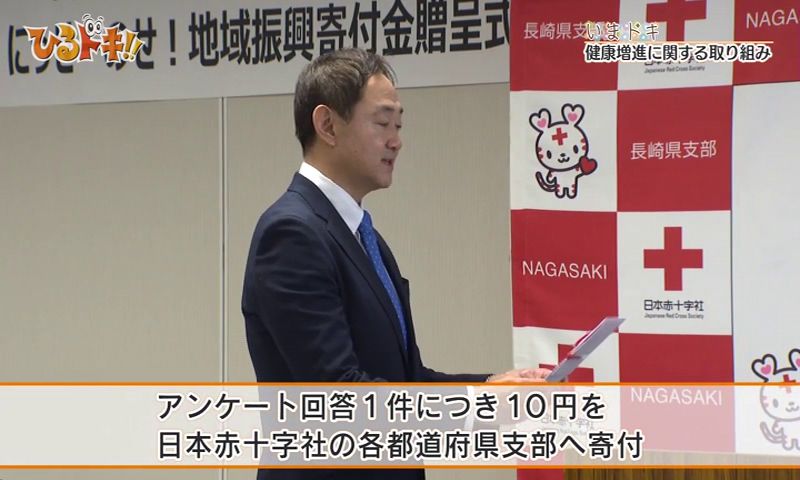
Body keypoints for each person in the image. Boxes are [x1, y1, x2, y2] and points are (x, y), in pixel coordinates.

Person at [242, 48, 549, 480]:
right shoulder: (292, 234)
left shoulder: (362, 235)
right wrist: (475, 405)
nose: (396, 141)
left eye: (399, 125)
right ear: (327, 125)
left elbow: (405, 377)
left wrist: (492, 387)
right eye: (383, 123)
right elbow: (341, 397)